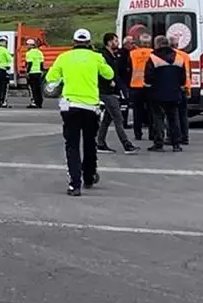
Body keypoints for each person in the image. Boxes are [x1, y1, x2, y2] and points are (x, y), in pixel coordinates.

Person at [45, 28, 117, 196]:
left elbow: (51, 78)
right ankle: (89, 176)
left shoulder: (64, 57)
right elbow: (109, 74)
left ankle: (74, 184)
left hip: (70, 106)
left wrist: (64, 77)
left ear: (74, 42)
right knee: (90, 143)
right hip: (91, 106)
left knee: (72, 145)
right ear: (89, 42)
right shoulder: (96, 57)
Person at [97, 32, 138, 154]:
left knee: (107, 119)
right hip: (106, 91)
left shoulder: (113, 55)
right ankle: (126, 145)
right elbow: (100, 72)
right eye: (115, 41)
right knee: (118, 118)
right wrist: (108, 81)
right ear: (109, 42)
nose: (118, 43)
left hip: (113, 90)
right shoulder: (102, 56)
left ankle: (100, 143)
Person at [144, 35, 186, 152]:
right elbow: (183, 77)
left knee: (158, 118)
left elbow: (148, 76)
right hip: (174, 93)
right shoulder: (178, 57)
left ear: (157, 44)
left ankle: (159, 143)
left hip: (157, 93)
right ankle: (176, 144)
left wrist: (148, 87)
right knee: (173, 118)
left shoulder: (153, 57)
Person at [128, 34, 155, 145]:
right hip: (149, 86)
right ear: (149, 43)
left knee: (137, 112)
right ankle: (152, 134)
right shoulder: (153, 53)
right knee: (151, 111)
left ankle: (137, 133)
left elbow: (128, 69)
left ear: (140, 42)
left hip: (135, 85)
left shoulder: (133, 53)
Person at [172, 43, 192, 146]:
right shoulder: (185, 55)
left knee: (174, 115)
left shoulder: (172, 55)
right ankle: (185, 137)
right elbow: (189, 73)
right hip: (185, 87)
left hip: (175, 89)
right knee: (183, 115)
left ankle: (175, 137)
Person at [116, 36, 135, 129]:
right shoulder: (122, 54)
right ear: (126, 44)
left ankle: (123, 120)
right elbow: (119, 68)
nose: (133, 45)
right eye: (131, 43)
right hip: (122, 81)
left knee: (125, 102)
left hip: (128, 81)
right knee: (124, 102)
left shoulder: (130, 53)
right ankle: (123, 122)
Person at [24, 39, 45, 108]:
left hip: (32, 73)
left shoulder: (29, 53)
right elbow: (41, 63)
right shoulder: (39, 52)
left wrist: (27, 72)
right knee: (38, 88)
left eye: (27, 44)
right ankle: (39, 103)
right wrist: (41, 71)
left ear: (31, 45)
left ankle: (34, 102)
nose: (27, 46)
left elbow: (29, 63)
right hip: (38, 72)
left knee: (32, 89)